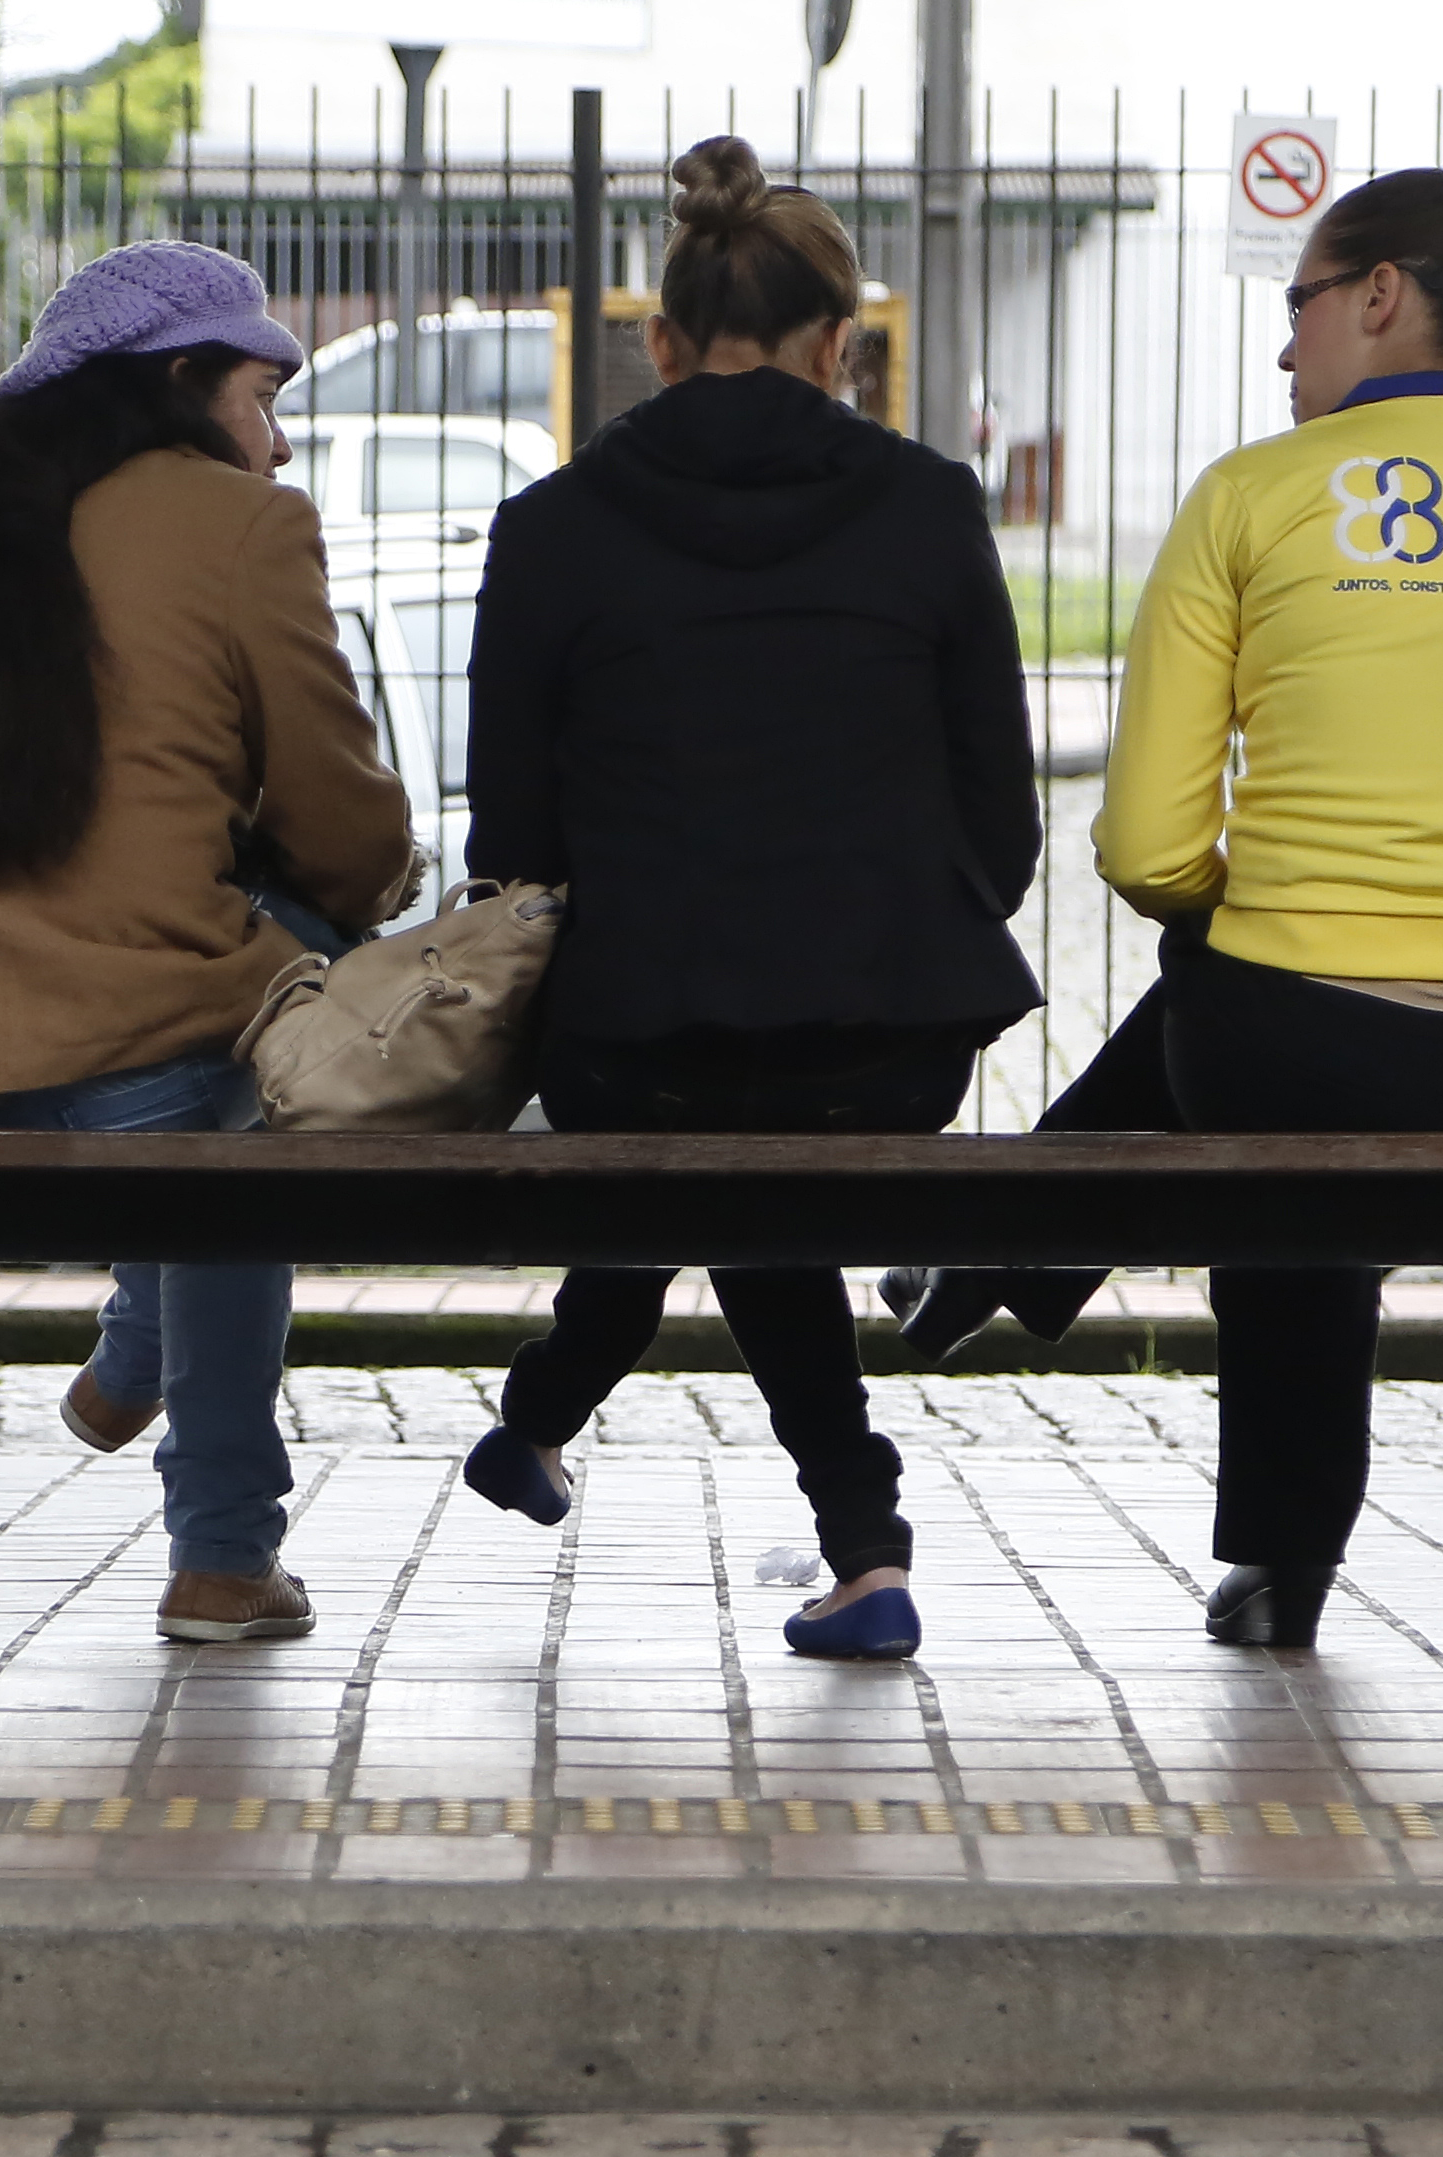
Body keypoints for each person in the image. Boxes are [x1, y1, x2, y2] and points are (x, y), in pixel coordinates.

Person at [911, 168, 1443, 1647]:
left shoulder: (1252, 498)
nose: (1286, 348)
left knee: (1249, 1035)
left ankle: (1022, 1264)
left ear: (1381, 296)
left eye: (1301, 305)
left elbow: (1149, 851)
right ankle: (1003, 1253)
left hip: (1300, 1048)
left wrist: (1289, 919)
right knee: (1262, 1042)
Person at [446, 136, 1040, 1664]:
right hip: (887, 1044)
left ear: (658, 343)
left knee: (698, 1130)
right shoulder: (931, 507)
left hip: (631, 1039)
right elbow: (1005, 822)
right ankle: (852, 1544)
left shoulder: (550, 527)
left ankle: (563, 1425)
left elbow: (510, 847)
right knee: (753, 1160)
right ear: (840, 345)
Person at [0, 241, 413, 1646]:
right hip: (126, 1075)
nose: (277, 442)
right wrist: (354, 889)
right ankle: (221, 1553)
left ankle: (136, 1354)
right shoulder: (240, 525)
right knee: (262, 1057)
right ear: (182, 380)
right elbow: (342, 828)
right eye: (264, 399)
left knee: (207, 1076)